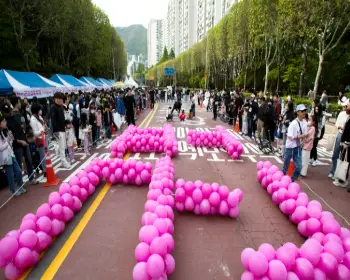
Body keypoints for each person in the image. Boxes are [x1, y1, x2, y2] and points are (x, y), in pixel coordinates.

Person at [3, 102, 38, 185]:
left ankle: (31, 178)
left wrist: (24, 128)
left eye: (10, 110)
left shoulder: (16, 116)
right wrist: (20, 141)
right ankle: (20, 183)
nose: (11, 112)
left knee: (29, 161)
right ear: (5, 113)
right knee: (18, 165)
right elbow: (9, 138)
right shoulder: (6, 123)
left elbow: (22, 127)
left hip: (25, 141)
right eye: (8, 111)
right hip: (16, 146)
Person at [0, 112, 25, 195]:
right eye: (3, 122)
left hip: (11, 154)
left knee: (18, 171)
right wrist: (7, 140)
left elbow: (8, 145)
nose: (5, 123)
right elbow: (1, 148)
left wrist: (10, 139)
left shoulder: (3, 132)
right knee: (10, 175)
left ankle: (20, 186)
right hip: (6, 157)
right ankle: (13, 191)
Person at [282, 104, 308, 182]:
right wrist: (300, 136)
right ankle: (281, 180)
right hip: (290, 147)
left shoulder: (305, 122)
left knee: (299, 167)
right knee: (285, 167)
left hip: (297, 147)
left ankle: (291, 181)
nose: (304, 112)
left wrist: (303, 139)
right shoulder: (293, 124)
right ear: (298, 112)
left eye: (305, 111)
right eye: (302, 111)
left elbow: (305, 133)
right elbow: (290, 137)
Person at [330, 99, 350, 184]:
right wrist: (341, 128)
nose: (345, 108)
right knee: (335, 154)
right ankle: (333, 171)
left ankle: (340, 176)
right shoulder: (341, 114)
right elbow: (337, 123)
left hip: (347, 138)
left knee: (344, 158)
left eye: (346, 106)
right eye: (345, 106)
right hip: (340, 135)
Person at [50, 92, 70, 168]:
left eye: (60, 98)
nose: (59, 100)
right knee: (61, 147)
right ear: (54, 99)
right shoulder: (53, 108)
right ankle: (64, 162)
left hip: (63, 129)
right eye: (57, 98)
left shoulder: (61, 107)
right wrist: (56, 131)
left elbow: (62, 119)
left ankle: (63, 161)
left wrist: (67, 123)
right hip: (58, 131)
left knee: (63, 146)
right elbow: (53, 120)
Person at [30, 103, 48, 176]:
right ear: (37, 110)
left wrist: (46, 128)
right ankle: (45, 171)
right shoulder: (33, 120)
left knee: (46, 154)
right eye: (40, 109)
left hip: (44, 137)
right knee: (42, 155)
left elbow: (43, 125)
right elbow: (36, 133)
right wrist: (43, 128)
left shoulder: (39, 117)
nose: (41, 111)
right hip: (40, 139)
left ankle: (47, 168)